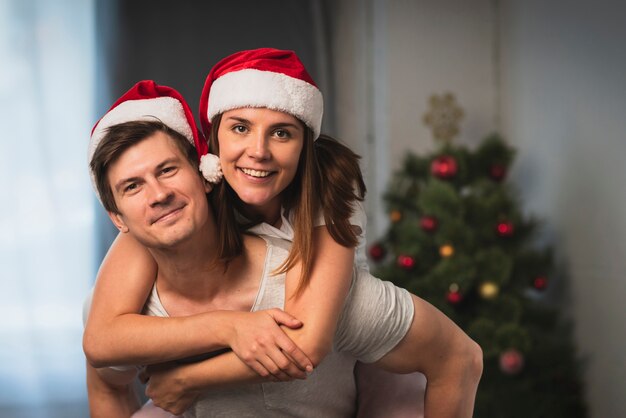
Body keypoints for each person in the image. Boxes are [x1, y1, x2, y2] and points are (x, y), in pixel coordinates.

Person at [85, 49, 482, 417]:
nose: (258, 151)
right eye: (240, 128)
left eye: (281, 133)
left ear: (303, 145)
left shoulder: (325, 197)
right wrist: (228, 326)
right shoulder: (176, 207)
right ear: (211, 150)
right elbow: (101, 341)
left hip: (346, 344)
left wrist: (188, 381)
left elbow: (308, 342)